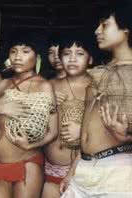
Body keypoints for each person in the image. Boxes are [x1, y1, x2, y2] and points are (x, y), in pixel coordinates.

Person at [60, 3, 132, 198]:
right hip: (84, 168)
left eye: (104, 24)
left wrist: (127, 138)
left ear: (126, 28)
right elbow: (87, 127)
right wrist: (73, 169)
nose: (97, 30)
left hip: (117, 171)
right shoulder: (99, 73)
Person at [0, 34, 58, 198]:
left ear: (37, 57)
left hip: (27, 162)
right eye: (13, 51)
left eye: (25, 51)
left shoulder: (44, 86)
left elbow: (53, 131)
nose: (18, 57)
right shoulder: (3, 84)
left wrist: (29, 146)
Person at [42, 34, 93, 198]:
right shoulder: (50, 85)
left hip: (85, 168)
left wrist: (84, 131)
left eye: (79, 53)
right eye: (66, 54)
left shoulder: (97, 86)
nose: (72, 59)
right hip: (52, 168)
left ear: (90, 59)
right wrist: (49, 103)